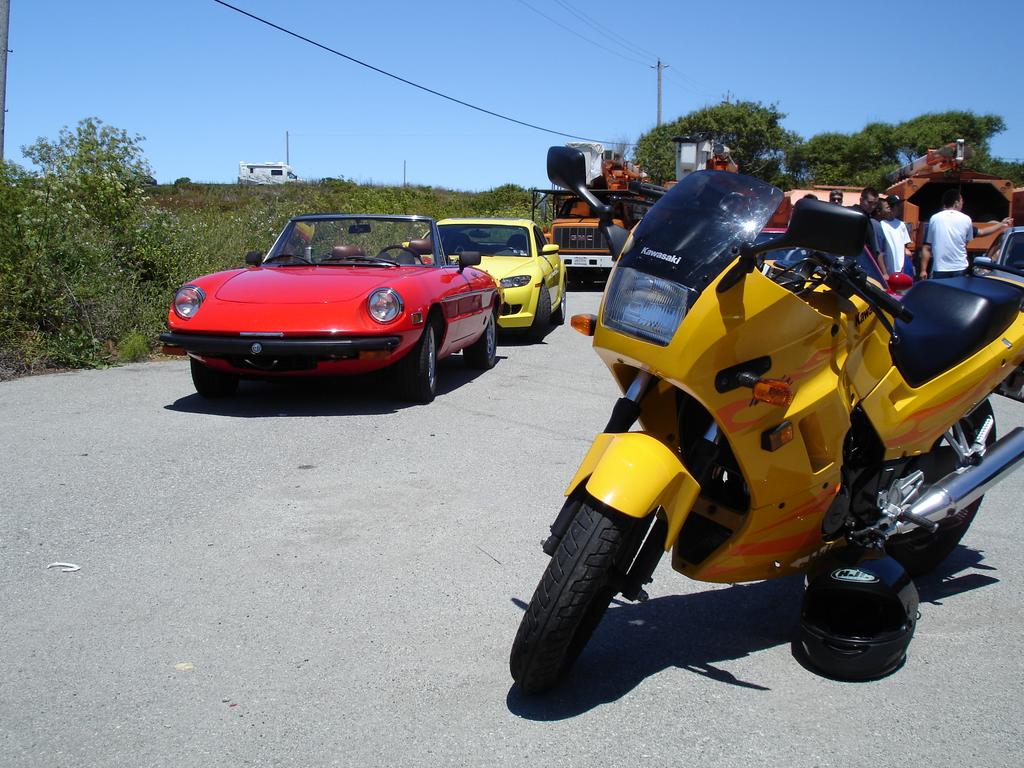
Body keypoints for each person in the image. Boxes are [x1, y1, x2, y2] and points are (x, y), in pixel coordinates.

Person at [919, 188, 1013, 279]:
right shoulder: (966, 219)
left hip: (939, 268)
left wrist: (923, 270)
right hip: (960, 267)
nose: (962, 203)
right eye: (961, 201)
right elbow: (981, 232)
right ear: (956, 203)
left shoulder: (934, 219)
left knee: (941, 290)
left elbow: (927, 247)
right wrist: (1001, 224)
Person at [878, 195, 913, 278]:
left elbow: (904, 246)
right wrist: (884, 272)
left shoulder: (902, 225)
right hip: (888, 269)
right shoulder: (881, 224)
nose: (900, 208)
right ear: (890, 207)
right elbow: (880, 250)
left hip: (901, 269)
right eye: (897, 205)